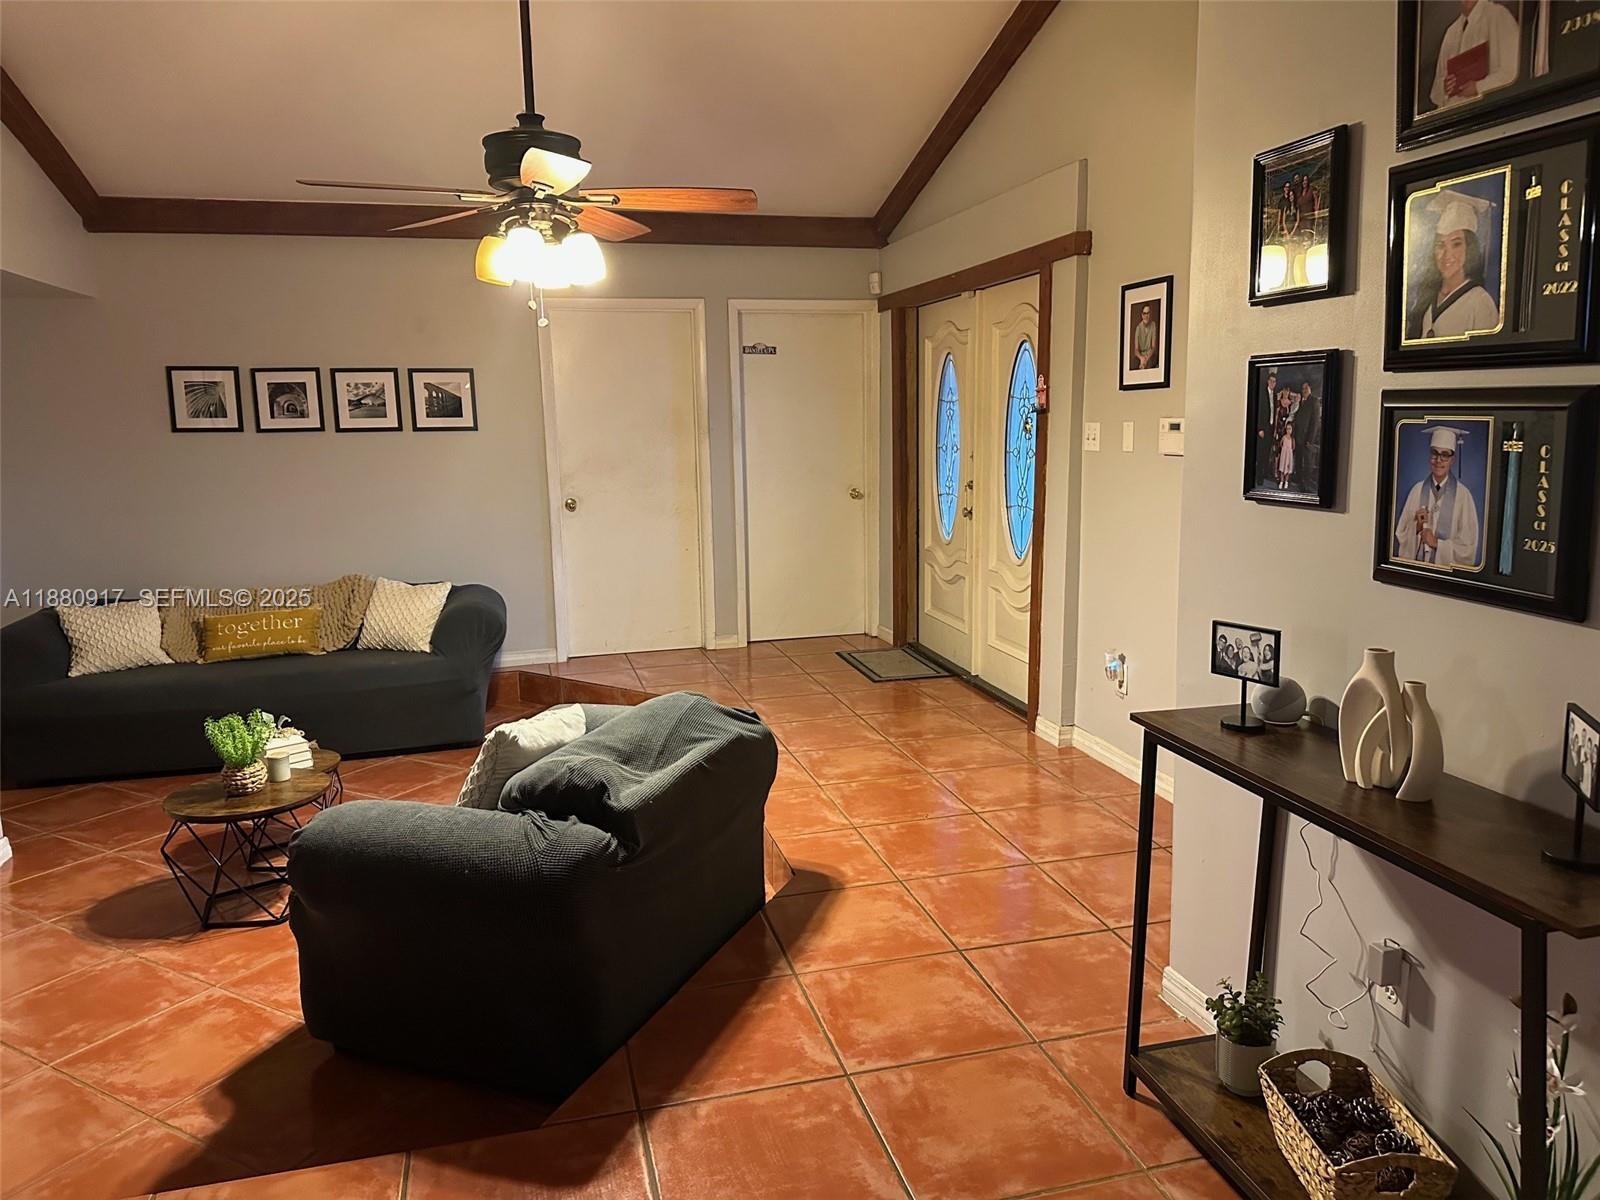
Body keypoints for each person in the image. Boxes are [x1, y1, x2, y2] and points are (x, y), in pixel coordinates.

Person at [1408, 189, 1501, 341]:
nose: (1447, 254)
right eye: (1440, 245)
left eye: (1456, 244)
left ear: (1469, 248)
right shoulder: (1427, 297)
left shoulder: (1480, 302)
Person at [1394, 426, 1482, 569]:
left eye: (1445, 455)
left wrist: (1436, 543)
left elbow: (1468, 548)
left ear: (1452, 460)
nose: (1438, 460)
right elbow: (1400, 536)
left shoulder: (1463, 496)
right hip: (1417, 572)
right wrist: (1416, 527)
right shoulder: (1417, 491)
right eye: (1434, 453)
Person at [1428, 0, 1521, 111]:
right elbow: (1435, 92)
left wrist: (1478, 87)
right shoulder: (1451, 32)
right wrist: (1445, 86)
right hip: (1453, 116)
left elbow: (1513, 73)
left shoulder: (1498, 15)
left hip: (1486, 112)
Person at [1273, 391, 1297, 489]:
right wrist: (1275, 430)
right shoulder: (1279, 402)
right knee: (1278, 453)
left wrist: (1288, 428)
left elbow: (1297, 398)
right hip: (1280, 430)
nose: (1286, 393)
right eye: (1285, 391)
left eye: (1288, 391)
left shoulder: (1291, 404)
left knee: (1287, 460)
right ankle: (1277, 474)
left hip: (1287, 429)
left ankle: (1286, 480)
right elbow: (1276, 416)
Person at [1131, 304, 1160, 371]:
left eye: (1148, 313)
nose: (1146, 316)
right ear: (1142, 315)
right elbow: (1136, 350)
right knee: (1134, 364)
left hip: (1150, 354)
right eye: (1144, 313)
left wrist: (1146, 358)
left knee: (1152, 363)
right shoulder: (1138, 328)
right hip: (1140, 355)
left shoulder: (1153, 325)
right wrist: (1141, 358)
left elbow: (1153, 347)